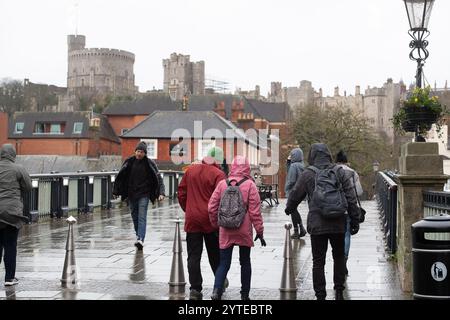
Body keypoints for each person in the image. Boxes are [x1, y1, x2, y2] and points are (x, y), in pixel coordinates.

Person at [285, 143, 360, 300]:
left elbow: (295, 195)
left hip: (317, 224)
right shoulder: (339, 171)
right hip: (338, 222)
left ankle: (320, 295)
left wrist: (289, 208)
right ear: (328, 154)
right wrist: (354, 219)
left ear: (312, 155)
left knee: (318, 261)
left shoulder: (308, 174)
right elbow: (351, 197)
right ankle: (339, 291)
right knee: (338, 257)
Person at [208, 156, 265, 300]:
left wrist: (216, 224)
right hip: (243, 229)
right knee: (245, 261)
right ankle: (244, 295)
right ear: (247, 167)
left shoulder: (222, 184)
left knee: (223, 263)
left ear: (232, 166)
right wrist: (259, 231)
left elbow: (211, 207)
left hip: (225, 229)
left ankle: (216, 291)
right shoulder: (250, 185)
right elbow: (255, 212)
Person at [177, 146, 227, 300]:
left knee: (193, 256)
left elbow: (181, 193)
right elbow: (222, 198)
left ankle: (195, 288)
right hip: (211, 220)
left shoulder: (190, 171)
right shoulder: (218, 174)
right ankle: (219, 283)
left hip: (192, 220)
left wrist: (189, 209)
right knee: (215, 255)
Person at [113, 141, 165, 250]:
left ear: (145, 153)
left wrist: (161, 192)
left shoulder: (150, 163)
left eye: (141, 152)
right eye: (137, 151)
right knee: (134, 216)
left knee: (142, 216)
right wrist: (116, 191)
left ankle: (140, 238)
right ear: (135, 151)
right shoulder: (129, 162)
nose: (139, 154)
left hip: (144, 194)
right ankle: (138, 236)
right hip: (131, 194)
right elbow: (120, 177)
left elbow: (158, 178)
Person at [0, 144, 32, 286]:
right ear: (13, 155)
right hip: (12, 212)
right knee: (10, 245)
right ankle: (9, 278)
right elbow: (29, 187)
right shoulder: (18, 168)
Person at [335, 150, 363, 276]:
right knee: (346, 235)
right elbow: (359, 191)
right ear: (346, 161)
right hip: (348, 208)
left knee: (335, 235)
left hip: (334, 207)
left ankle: (337, 260)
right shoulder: (352, 173)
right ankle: (344, 261)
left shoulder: (332, 171)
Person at [284, 148, 307, 239]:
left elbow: (291, 179)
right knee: (294, 210)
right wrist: (288, 162)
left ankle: (297, 230)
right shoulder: (301, 165)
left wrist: (287, 189)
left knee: (292, 210)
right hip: (300, 191)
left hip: (293, 191)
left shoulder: (294, 166)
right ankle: (300, 229)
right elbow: (289, 171)